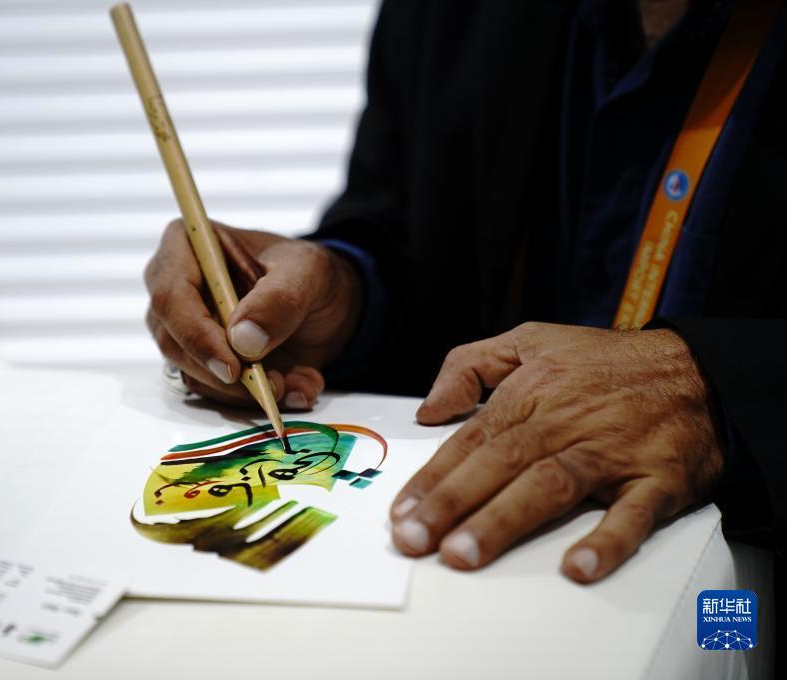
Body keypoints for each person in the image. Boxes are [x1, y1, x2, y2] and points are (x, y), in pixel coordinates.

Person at [143, 0, 787, 590]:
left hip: (727, 598)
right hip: (469, 588)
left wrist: (718, 388)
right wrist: (343, 297)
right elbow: (400, 229)